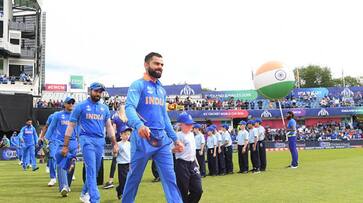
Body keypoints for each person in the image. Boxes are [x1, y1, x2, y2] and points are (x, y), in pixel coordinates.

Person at [122, 52, 184, 203]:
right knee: (134, 179)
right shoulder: (138, 85)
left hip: (162, 141)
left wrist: (175, 139)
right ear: (146, 64)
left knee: (171, 180)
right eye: (156, 63)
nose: (160, 67)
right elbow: (129, 107)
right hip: (143, 137)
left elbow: (164, 117)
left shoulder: (161, 90)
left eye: (162, 65)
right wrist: (138, 125)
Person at [61, 82, 118, 203]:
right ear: (90, 91)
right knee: (91, 170)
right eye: (96, 91)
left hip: (100, 141)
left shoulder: (104, 108)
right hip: (86, 140)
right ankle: (95, 199)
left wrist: (114, 143)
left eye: (100, 92)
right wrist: (65, 145)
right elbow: (70, 127)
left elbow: (108, 127)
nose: (98, 94)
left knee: (95, 170)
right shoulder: (80, 107)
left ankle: (83, 193)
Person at [47, 97, 78, 197]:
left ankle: (67, 186)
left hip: (73, 143)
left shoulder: (76, 116)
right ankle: (63, 187)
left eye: (73, 103)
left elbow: (79, 130)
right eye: (69, 103)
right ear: (64, 104)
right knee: (61, 163)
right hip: (60, 143)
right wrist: (46, 140)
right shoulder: (58, 115)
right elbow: (51, 128)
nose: (71, 105)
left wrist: (80, 142)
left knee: (71, 165)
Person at [173, 113, 203, 203]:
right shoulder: (177, 135)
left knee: (198, 190)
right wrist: (176, 148)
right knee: (183, 191)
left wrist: (196, 162)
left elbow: (192, 151)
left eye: (191, 124)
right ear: (180, 124)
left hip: (192, 163)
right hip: (182, 164)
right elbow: (170, 150)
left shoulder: (191, 135)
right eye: (187, 124)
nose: (190, 126)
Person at [104, 105, 128, 189]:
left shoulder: (116, 119)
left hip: (118, 140)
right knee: (127, 160)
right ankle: (129, 179)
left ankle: (110, 180)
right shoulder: (127, 119)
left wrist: (112, 141)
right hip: (128, 141)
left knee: (115, 159)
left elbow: (113, 131)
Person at [40, 113, 58, 186]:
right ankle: (53, 178)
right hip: (53, 139)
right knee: (52, 157)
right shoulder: (52, 116)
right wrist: (42, 137)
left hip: (66, 139)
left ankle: (70, 174)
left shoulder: (71, 115)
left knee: (67, 158)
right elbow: (46, 127)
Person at [116, 125, 132, 199]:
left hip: (129, 163)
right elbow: (115, 154)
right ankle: (121, 193)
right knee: (123, 180)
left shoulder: (130, 144)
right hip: (122, 164)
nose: (127, 136)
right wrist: (115, 152)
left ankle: (120, 189)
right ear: (121, 135)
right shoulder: (118, 144)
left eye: (128, 134)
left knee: (128, 179)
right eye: (125, 134)